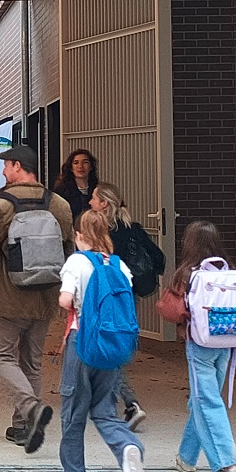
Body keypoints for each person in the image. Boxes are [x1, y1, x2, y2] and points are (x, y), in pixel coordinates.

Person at [0, 146, 73, 452]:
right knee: (31, 361)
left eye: (6, 166)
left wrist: (2, 266)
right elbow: (68, 248)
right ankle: (22, 428)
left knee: (1, 356)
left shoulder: (3, 204)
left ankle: (30, 409)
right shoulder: (59, 204)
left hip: (9, 295)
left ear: (19, 166)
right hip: (45, 295)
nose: (4, 172)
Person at [56, 210, 145, 472]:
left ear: (79, 236)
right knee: (105, 410)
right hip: (111, 346)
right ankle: (127, 446)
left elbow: (66, 300)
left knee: (73, 410)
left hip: (81, 342)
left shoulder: (77, 262)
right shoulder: (119, 266)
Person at [158, 220, 236, 472]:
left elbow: (169, 309)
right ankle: (186, 458)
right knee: (203, 399)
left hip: (200, 345)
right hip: (228, 344)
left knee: (206, 401)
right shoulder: (230, 271)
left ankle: (229, 465)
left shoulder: (188, 273)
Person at [89, 181, 166, 430]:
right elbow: (159, 259)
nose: (90, 202)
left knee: (104, 352)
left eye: (94, 198)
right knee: (109, 350)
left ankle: (130, 404)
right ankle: (107, 402)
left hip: (104, 298)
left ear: (103, 204)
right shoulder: (133, 229)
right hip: (127, 299)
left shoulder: (99, 233)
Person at [53, 149, 99, 220]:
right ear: (71, 168)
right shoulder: (61, 192)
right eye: (76, 163)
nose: (80, 166)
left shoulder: (99, 190)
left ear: (91, 167)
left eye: (85, 162)